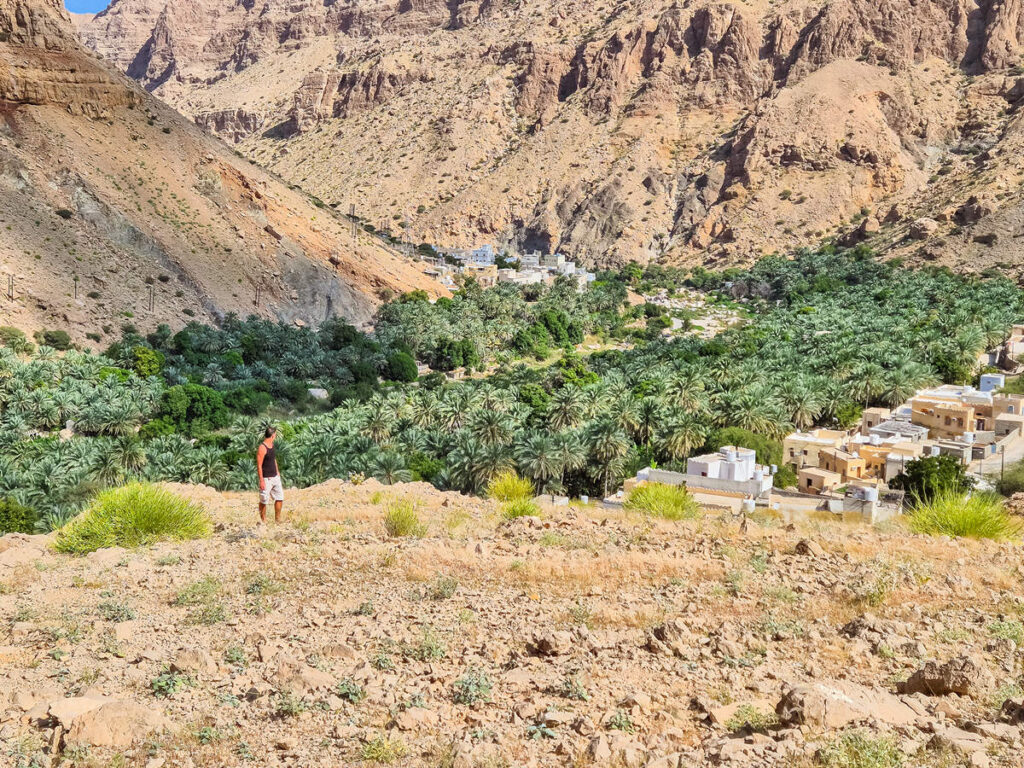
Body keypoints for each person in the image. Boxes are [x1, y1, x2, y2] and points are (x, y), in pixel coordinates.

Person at [256, 426, 284, 524]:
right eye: (275, 434)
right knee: (264, 500)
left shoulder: (272, 445)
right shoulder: (262, 448)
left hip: (275, 477)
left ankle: (277, 520)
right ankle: (263, 521)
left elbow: (273, 459)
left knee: (280, 498)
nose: (275, 436)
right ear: (272, 435)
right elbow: (259, 465)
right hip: (266, 478)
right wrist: (261, 481)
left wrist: (277, 471)